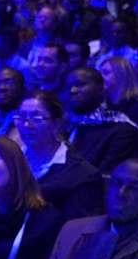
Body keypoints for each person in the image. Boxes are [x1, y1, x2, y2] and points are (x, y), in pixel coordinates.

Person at [18, 91, 104, 219]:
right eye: (21, 117)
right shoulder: (9, 162)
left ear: (57, 123)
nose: (26, 125)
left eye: (37, 118)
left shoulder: (81, 174)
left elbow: (77, 230)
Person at [64, 66, 138, 173]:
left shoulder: (121, 129)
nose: (72, 91)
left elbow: (105, 176)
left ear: (100, 89)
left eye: (80, 85)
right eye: (68, 86)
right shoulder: (65, 124)